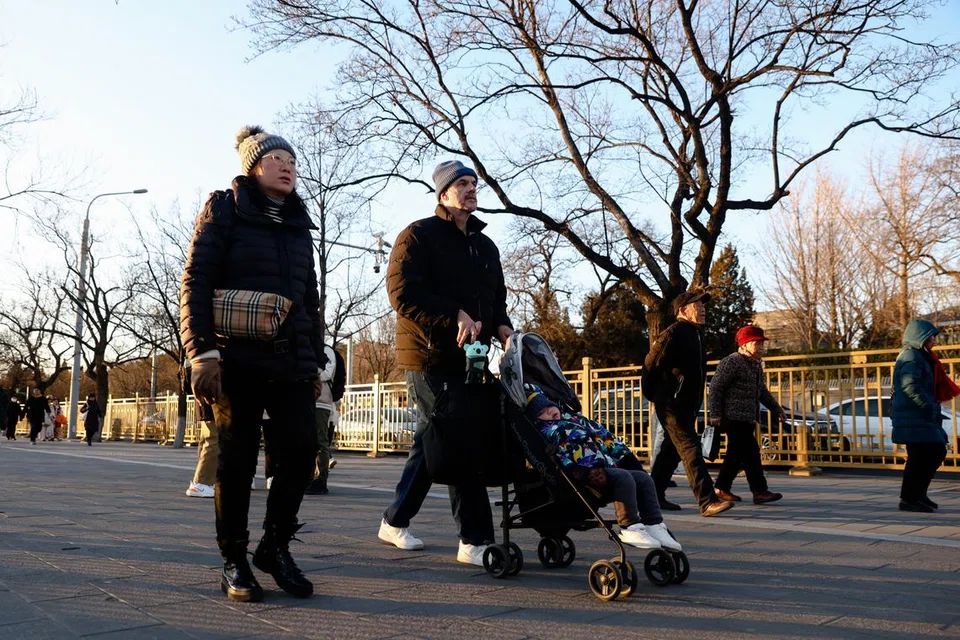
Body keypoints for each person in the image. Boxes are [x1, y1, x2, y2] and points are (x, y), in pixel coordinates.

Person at [180, 125, 325, 602]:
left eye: (292, 161)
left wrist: (314, 364)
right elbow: (196, 280)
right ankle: (234, 558)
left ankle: (275, 547)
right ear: (253, 165)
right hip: (234, 360)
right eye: (277, 158)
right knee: (237, 461)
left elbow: (310, 301)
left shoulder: (300, 223)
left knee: (303, 453)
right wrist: (201, 351)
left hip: (290, 363)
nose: (288, 167)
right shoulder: (224, 209)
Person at [378, 159, 513, 566]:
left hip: (471, 361)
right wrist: (454, 313)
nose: (472, 189)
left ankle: (394, 519)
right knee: (458, 436)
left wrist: (503, 327)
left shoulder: (485, 246)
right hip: (427, 356)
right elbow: (401, 294)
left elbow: (497, 299)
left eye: (474, 183)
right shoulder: (418, 235)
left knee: (433, 438)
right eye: (463, 184)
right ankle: (474, 539)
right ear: (443, 194)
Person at [524, 385, 681, 551]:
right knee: (624, 478)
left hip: (606, 465)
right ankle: (630, 526)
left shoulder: (577, 419)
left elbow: (608, 440)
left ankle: (654, 524)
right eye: (542, 413)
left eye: (549, 406)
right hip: (584, 472)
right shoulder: (547, 431)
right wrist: (579, 471)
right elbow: (557, 456)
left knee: (643, 479)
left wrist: (628, 461)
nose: (549, 411)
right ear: (537, 420)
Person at [646, 290, 733, 517]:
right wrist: (657, 395)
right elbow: (650, 364)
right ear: (683, 310)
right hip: (672, 403)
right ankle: (707, 501)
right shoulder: (674, 332)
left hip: (686, 403)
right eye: (698, 304)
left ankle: (652, 496)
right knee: (690, 448)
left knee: (671, 451)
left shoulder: (695, 333)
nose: (703, 308)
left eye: (704, 305)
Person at [707, 326, 784, 505]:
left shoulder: (755, 364)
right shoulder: (732, 362)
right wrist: (715, 413)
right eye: (757, 343)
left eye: (762, 343)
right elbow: (716, 387)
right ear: (744, 345)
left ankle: (721, 487)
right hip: (732, 417)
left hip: (747, 417)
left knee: (735, 454)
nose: (761, 347)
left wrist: (776, 409)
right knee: (751, 452)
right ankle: (759, 491)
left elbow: (761, 391)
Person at [891, 319, 956, 513]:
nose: (935, 339)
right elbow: (910, 385)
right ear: (920, 337)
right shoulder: (912, 356)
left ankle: (915, 496)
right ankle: (911, 498)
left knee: (923, 455)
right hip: (915, 414)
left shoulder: (920, 355)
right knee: (930, 453)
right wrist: (928, 404)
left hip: (918, 415)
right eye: (931, 336)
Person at [306, 344, 338, 495]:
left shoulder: (326, 351)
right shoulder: (309, 349)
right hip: (307, 402)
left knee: (320, 442)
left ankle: (320, 479)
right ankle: (310, 478)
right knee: (309, 443)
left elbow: (328, 373)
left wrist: (311, 373)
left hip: (321, 403)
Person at [186, 398, 217, 498]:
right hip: (212, 401)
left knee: (207, 440)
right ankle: (201, 483)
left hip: (205, 402)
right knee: (213, 441)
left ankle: (203, 481)